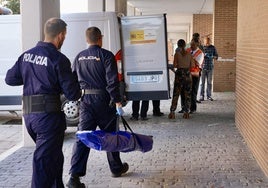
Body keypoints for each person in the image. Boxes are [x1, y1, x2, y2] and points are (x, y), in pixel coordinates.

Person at [5, 18, 81, 188]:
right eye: (65, 35)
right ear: (61, 35)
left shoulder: (26, 55)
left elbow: (10, 79)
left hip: (30, 117)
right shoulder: (58, 59)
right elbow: (72, 93)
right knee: (43, 164)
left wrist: (31, 76)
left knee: (53, 157)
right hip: (48, 118)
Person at [67, 27, 128, 188]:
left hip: (86, 101)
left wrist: (77, 97)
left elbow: (72, 80)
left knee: (83, 137)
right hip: (104, 101)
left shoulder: (79, 57)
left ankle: (74, 176)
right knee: (110, 135)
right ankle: (116, 168)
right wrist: (117, 101)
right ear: (100, 38)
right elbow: (112, 81)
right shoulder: (107, 55)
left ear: (87, 39)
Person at [168, 39, 195, 119]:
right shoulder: (189, 54)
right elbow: (193, 65)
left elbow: (175, 65)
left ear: (178, 45)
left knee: (176, 94)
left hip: (179, 74)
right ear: (185, 45)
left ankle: (172, 112)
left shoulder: (177, 54)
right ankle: (186, 113)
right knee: (188, 94)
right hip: (187, 74)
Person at [199, 37, 218, 101]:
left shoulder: (213, 47)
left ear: (210, 41)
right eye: (206, 42)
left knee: (209, 82)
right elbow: (198, 57)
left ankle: (209, 96)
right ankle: (201, 96)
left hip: (210, 67)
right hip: (202, 68)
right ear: (204, 42)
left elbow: (216, 56)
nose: (207, 43)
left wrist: (212, 57)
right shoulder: (201, 48)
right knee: (202, 83)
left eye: (208, 42)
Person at [188, 38, 204, 113]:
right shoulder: (188, 50)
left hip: (195, 74)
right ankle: (186, 107)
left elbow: (198, 63)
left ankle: (193, 108)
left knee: (193, 91)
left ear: (197, 45)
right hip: (187, 73)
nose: (191, 46)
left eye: (193, 45)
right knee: (187, 90)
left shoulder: (200, 53)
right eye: (191, 44)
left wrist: (190, 58)